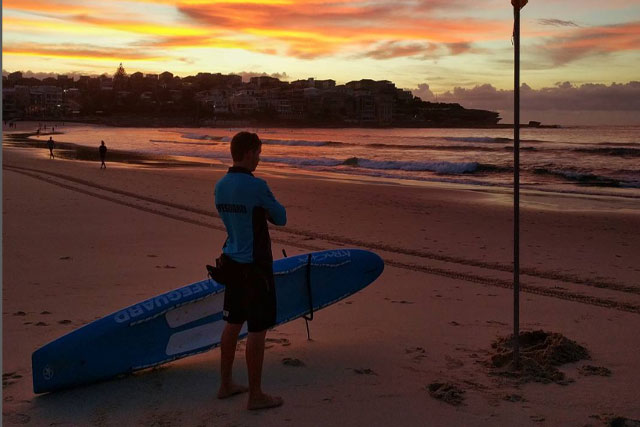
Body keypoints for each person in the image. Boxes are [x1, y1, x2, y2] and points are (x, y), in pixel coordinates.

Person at [213, 131, 286, 410]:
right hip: (255, 268)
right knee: (257, 329)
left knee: (232, 324)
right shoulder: (257, 186)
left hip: (231, 262)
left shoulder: (220, 185)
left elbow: (234, 217)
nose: (259, 157)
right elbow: (281, 217)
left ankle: (226, 384)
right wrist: (264, 211)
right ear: (246, 153)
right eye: (257, 152)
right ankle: (255, 395)